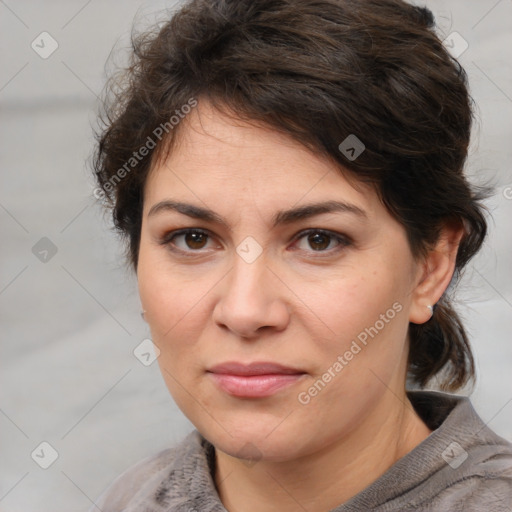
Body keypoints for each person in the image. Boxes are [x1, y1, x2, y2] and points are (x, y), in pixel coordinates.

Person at [90, 0, 512, 510]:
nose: (245, 311)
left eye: (318, 239)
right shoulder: (133, 498)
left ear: (431, 265)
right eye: (193, 238)